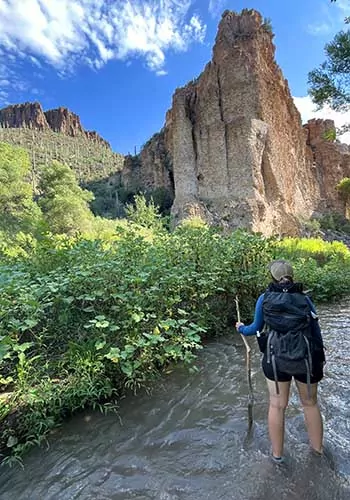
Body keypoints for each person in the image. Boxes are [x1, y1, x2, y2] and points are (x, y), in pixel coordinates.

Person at [235, 260, 325, 464]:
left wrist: (241, 328)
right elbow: (316, 333)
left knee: (277, 405)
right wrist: (320, 360)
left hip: (275, 360)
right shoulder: (305, 299)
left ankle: (277, 457)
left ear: (272, 277)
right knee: (310, 404)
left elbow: (255, 328)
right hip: (305, 359)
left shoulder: (264, 299)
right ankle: (318, 453)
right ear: (292, 276)